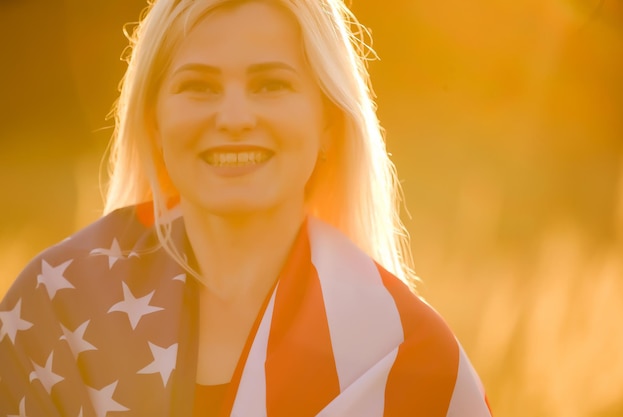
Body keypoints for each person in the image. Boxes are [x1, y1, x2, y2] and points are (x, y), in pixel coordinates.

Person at [0, 0, 492, 415]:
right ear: (154, 121)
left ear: (327, 120)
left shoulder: (407, 354)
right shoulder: (54, 312)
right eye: (199, 86)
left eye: (270, 85)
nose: (234, 118)